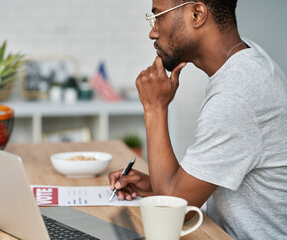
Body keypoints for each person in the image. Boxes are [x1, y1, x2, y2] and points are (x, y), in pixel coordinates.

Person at [108, 0, 287, 239]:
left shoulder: (235, 96)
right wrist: (154, 185)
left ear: (196, 14)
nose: (152, 32)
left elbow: (171, 211)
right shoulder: (247, 60)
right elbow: (201, 183)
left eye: (158, 17)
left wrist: (154, 108)